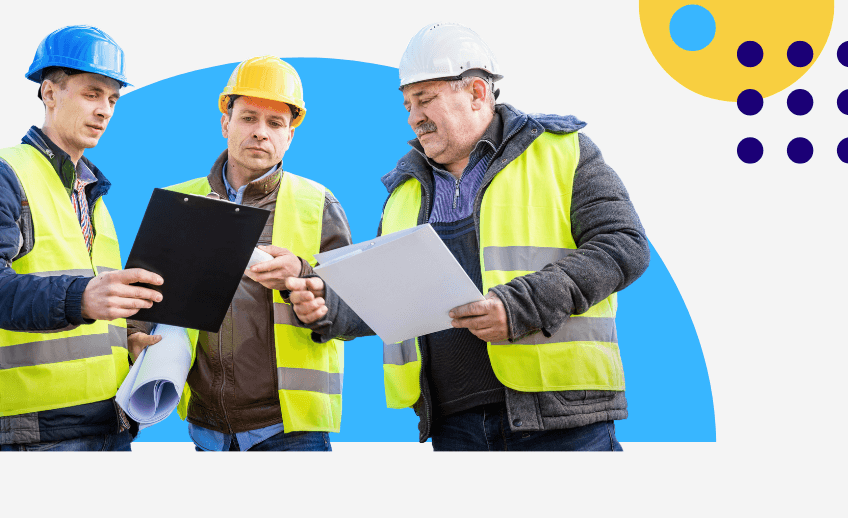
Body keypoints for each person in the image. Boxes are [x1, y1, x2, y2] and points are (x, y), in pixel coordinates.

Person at [287, 23, 650, 451]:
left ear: (477, 93)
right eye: (407, 104)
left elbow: (623, 245)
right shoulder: (403, 192)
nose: (413, 117)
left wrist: (518, 307)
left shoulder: (562, 151)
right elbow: (389, 300)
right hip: (453, 427)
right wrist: (326, 304)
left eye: (425, 99)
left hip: (562, 420)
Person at [0, 25, 164, 451]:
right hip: (38, 432)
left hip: (110, 419)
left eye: (113, 99)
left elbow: (96, 312)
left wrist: (127, 343)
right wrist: (80, 298)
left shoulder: (92, 194)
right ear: (49, 93)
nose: (104, 110)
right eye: (92, 94)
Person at [128, 56, 357, 452]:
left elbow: (355, 307)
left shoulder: (317, 203)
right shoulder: (182, 202)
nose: (260, 132)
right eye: (249, 118)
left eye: (275, 123)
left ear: (289, 136)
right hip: (207, 429)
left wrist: (303, 275)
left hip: (290, 431)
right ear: (225, 123)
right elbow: (141, 294)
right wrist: (133, 335)